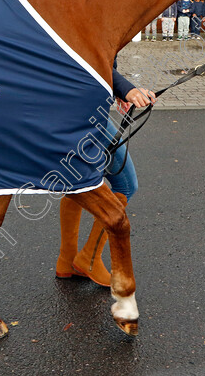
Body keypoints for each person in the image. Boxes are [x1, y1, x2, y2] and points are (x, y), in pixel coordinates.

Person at [56, 66, 156, 287]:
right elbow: (91, 59)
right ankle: (88, 259)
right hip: (85, 110)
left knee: (79, 184)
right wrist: (127, 89)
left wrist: (115, 91)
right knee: (126, 184)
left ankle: (66, 260)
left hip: (67, 108)